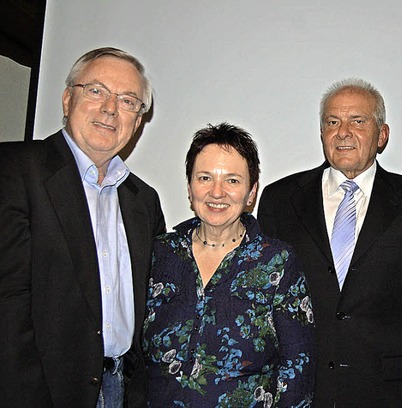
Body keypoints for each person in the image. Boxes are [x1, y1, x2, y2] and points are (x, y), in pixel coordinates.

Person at [258, 78, 402, 407]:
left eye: (358, 121)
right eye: (332, 122)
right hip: (299, 395)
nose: (343, 132)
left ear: (382, 135)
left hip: (391, 396)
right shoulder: (279, 200)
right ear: (322, 133)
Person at [0, 47, 165, 407]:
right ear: (66, 99)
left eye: (127, 101)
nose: (110, 108)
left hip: (120, 390)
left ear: (137, 121)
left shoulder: (144, 201)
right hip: (39, 392)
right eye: (96, 90)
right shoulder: (14, 171)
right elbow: (7, 307)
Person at [143, 123, 314, 407]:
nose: (217, 192)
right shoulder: (159, 253)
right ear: (189, 188)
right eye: (205, 178)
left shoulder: (277, 261)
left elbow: (297, 370)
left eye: (232, 180)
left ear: (251, 193)